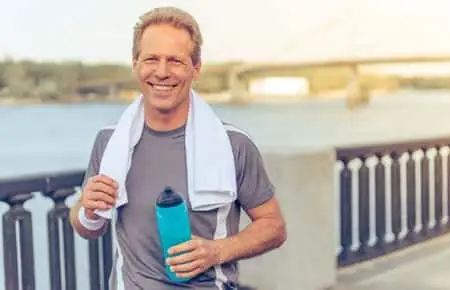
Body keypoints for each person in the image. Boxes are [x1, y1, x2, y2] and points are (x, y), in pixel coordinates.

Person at [69, 6, 287, 290]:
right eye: (151, 59)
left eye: (175, 60)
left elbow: (273, 226)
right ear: (135, 64)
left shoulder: (234, 145)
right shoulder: (110, 141)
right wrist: (86, 207)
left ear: (196, 68)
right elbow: (88, 228)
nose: (161, 72)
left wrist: (217, 251)